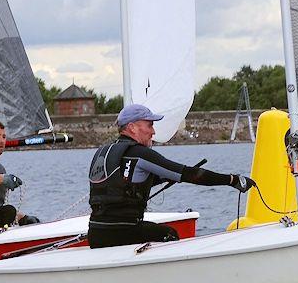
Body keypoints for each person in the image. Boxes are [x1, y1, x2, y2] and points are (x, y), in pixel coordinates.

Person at [88, 104, 254, 249]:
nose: (153, 132)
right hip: (125, 230)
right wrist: (232, 180)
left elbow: (122, 187)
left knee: (149, 230)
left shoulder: (103, 152)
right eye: (149, 125)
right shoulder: (140, 153)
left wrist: (166, 177)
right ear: (132, 127)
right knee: (169, 233)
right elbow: (191, 175)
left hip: (96, 233)